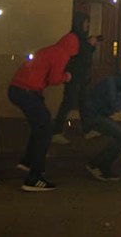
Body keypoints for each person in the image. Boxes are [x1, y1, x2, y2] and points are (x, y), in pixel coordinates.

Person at [8, 28, 79, 192]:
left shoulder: (50, 50)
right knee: (46, 129)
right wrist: (66, 77)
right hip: (27, 92)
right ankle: (34, 177)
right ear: (74, 47)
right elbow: (54, 79)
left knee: (40, 125)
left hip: (18, 89)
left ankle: (27, 161)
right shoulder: (62, 54)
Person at [83, 65, 121, 181]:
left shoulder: (117, 84)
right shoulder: (110, 83)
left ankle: (100, 165)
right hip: (93, 116)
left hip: (99, 115)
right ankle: (96, 165)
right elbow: (116, 106)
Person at [51, 11, 98, 144]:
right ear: (80, 23)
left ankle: (87, 130)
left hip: (80, 76)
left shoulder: (80, 37)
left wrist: (91, 46)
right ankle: (56, 131)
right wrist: (90, 45)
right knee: (68, 103)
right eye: (86, 22)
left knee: (83, 102)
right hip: (73, 76)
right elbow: (80, 56)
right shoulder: (73, 38)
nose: (88, 25)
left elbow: (85, 54)